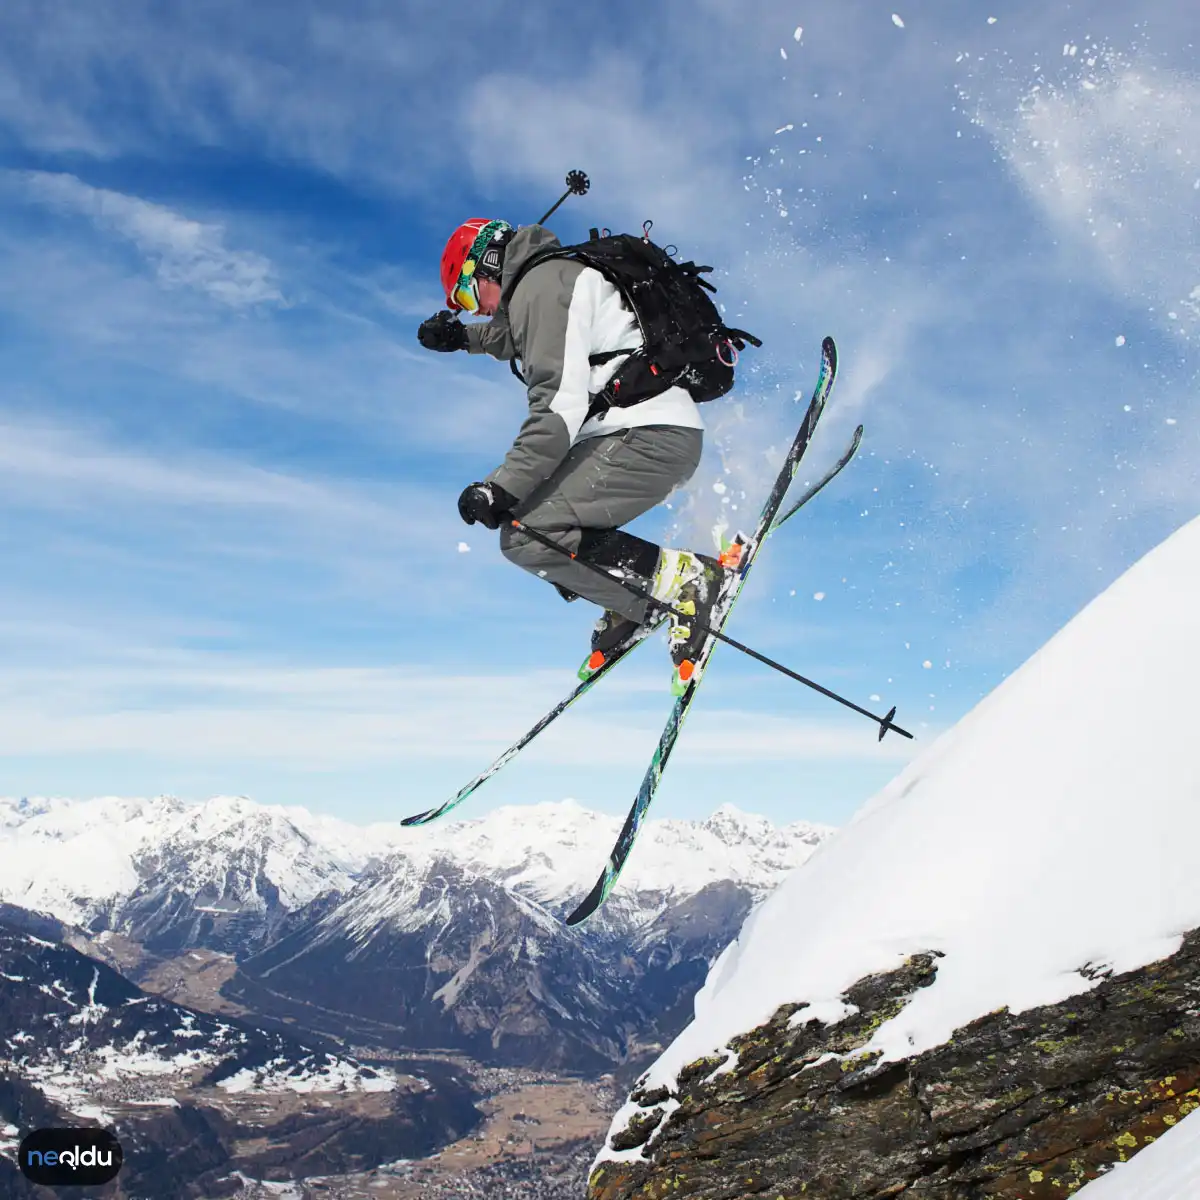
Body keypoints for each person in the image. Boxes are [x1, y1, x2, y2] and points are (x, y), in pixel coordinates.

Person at [417, 217, 730, 682]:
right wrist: (462, 338)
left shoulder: (541, 287)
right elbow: (515, 335)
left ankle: (685, 579)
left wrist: (497, 488)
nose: (474, 311)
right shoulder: (547, 281)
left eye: (466, 296)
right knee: (524, 526)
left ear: (487, 265)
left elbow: (556, 411)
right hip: (637, 432)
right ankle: (628, 596)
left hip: (647, 435)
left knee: (526, 533)